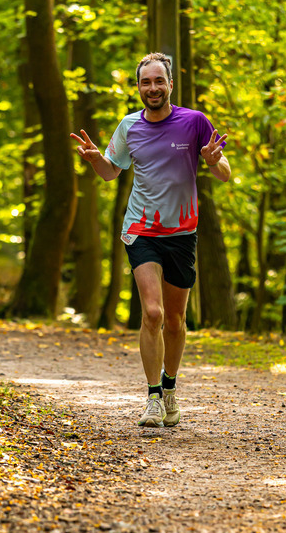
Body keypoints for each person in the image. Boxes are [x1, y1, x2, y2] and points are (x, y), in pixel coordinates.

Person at [72, 52, 231, 428]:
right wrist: (97, 159)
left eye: (159, 81)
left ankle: (171, 388)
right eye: (146, 82)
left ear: (170, 85)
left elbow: (223, 172)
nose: (153, 88)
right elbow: (112, 172)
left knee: (175, 321)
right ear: (139, 87)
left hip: (182, 232)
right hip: (141, 229)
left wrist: (211, 160)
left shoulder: (194, 122)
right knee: (154, 313)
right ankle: (153, 398)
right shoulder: (129, 127)